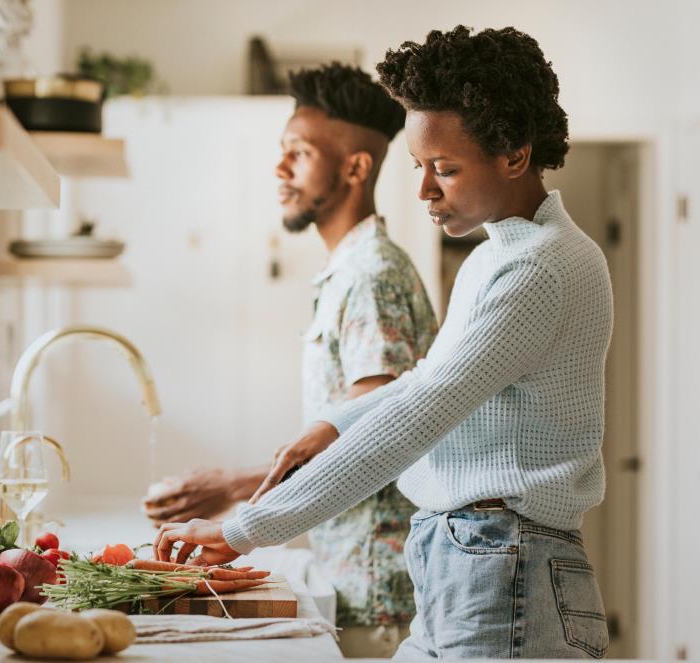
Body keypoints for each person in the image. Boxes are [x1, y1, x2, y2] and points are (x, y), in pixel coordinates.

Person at [154, 25, 613, 660]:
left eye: (445, 170)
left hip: (504, 564)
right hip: (469, 558)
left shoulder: (540, 268)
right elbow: (426, 377)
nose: (424, 191)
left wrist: (245, 529)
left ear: (513, 155)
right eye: (420, 167)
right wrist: (336, 422)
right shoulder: (496, 257)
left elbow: (422, 412)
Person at [142, 62, 438, 657]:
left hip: (378, 595)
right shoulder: (348, 272)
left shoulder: (373, 276)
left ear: (356, 167)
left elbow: (374, 434)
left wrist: (236, 488)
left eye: (299, 153)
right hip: (353, 583)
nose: (280, 169)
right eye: (283, 152)